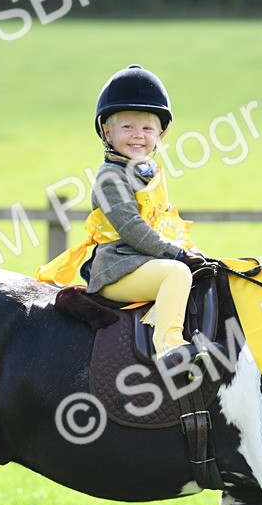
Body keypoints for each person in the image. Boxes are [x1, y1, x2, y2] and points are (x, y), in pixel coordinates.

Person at [37, 64, 208, 366]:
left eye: (147, 129)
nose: (138, 136)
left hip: (147, 262)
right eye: (127, 127)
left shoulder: (150, 173)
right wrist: (177, 255)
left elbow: (165, 222)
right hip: (119, 269)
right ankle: (169, 347)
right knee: (176, 273)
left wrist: (193, 251)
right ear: (107, 131)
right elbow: (132, 228)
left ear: (160, 133)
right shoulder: (110, 179)